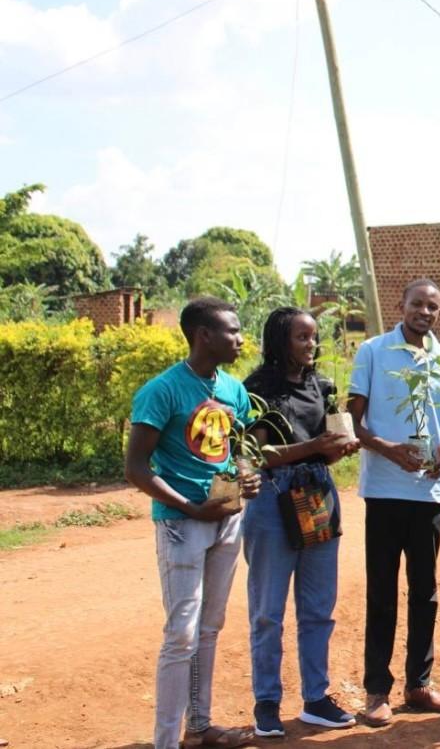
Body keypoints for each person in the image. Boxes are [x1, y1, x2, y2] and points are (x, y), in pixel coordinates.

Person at [125, 297, 261, 749]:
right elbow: (137, 469)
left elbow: (240, 446)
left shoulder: (233, 389)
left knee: (210, 626)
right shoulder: (162, 390)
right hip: (182, 525)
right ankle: (166, 741)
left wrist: (246, 473)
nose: (241, 339)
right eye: (233, 331)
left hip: (225, 520)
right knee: (181, 633)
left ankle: (199, 726)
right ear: (204, 334)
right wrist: (190, 507)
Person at [348, 279, 440, 726]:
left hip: (429, 494)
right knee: (382, 591)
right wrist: (390, 450)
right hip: (383, 491)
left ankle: (418, 684)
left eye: (433, 306)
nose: (425, 311)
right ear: (401, 305)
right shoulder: (374, 353)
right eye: (417, 303)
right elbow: (353, 423)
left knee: (426, 592)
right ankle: (377, 689)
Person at [241, 308, 361, 737]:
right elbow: (254, 455)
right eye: (301, 338)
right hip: (273, 498)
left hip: (317, 495)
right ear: (279, 340)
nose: (310, 346)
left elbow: (328, 448)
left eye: (313, 338)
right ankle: (267, 703)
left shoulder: (322, 387)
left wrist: (338, 449)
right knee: (267, 612)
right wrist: (313, 445)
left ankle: (315, 699)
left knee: (317, 608)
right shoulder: (256, 390)